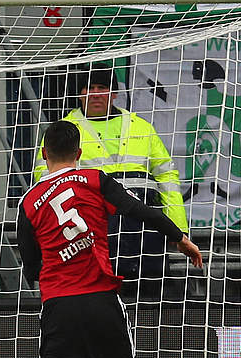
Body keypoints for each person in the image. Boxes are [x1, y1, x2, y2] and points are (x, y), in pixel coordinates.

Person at [18, 120, 203, 358]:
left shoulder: (28, 203)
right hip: (101, 297)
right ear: (80, 153)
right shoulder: (94, 179)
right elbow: (141, 212)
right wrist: (179, 238)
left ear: (43, 154)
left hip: (59, 305)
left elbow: (31, 268)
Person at [36, 67, 188, 296]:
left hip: (144, 228)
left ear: (114, 93)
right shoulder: (62, 131)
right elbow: (46, 180)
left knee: (152, 296)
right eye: (89, 88)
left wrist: (178, 227)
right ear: (80, 94)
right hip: (94, 228)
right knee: (102, 295)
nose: (96, 94)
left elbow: (167, 175)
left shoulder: (141, 126)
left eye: (102, 88)